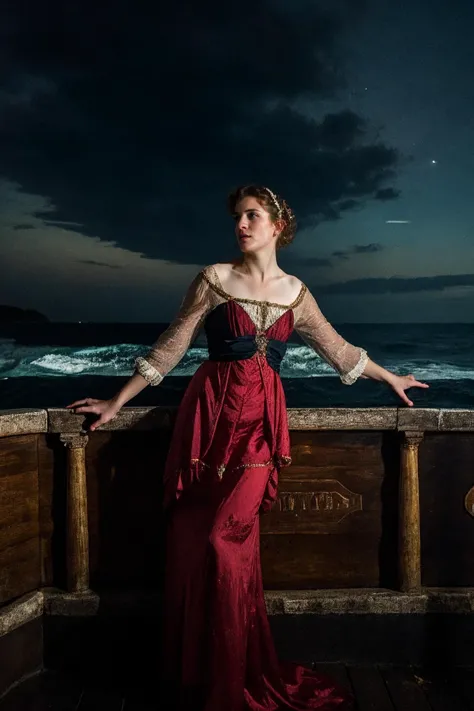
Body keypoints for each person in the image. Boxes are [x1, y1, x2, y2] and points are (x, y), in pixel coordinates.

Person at [67, 185, 429, 710]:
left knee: (223, 541)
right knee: (196, 542)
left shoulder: (297, 293)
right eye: (237, 216)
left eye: (252, 215)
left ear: (278, 224)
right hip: (207, 422)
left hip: (260, 428)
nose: (241, 224)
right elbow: (172, 346)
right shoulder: (215, 278)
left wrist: (391, 377)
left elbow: (340, 351)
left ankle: (233, 679)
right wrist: (115, 401)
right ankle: (204, 675)